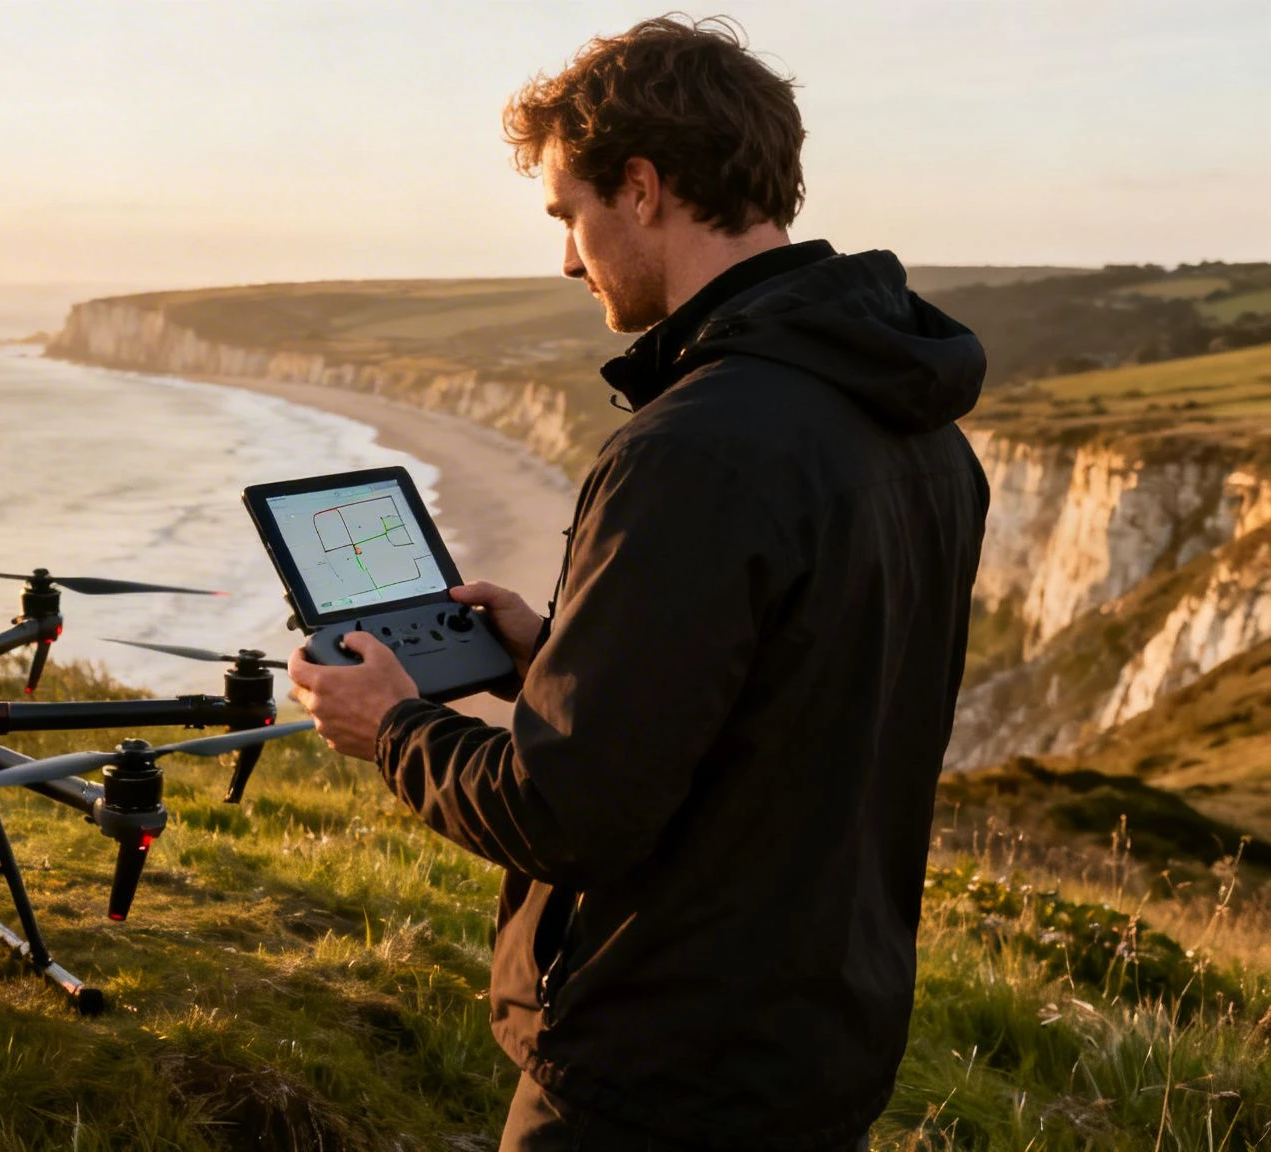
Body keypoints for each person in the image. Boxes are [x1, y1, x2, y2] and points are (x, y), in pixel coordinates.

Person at [288, 15, 989, 1151]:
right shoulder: (919, 434)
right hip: (820, 1044)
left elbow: (563, 812)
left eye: (568, 215)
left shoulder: (692, 445)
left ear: (644, 187)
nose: (566, 259)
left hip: (655, 1075)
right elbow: (783, 697)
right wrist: (554, 655)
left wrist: (393, 727)